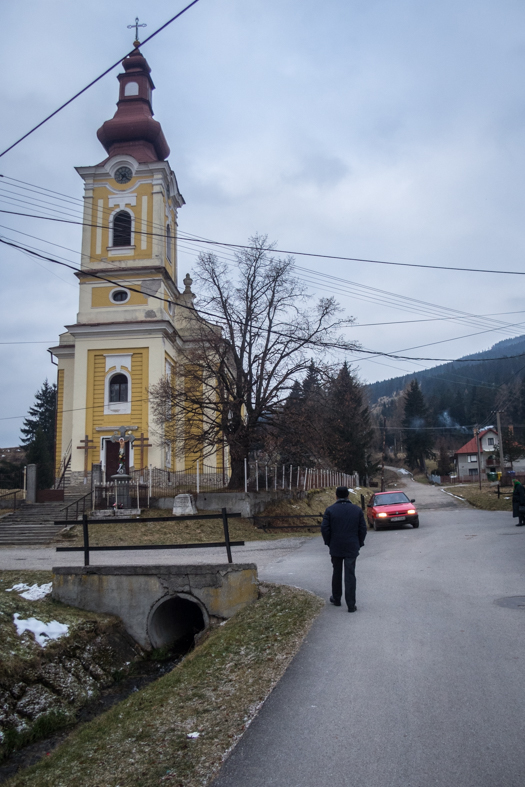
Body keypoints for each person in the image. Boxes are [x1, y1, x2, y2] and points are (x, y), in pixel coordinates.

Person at [321, 486, 367, 612]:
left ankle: (336, 598)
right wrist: (359, 542)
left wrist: (329, 542)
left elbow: (325, 529)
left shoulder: (330, 510)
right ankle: (351, 604)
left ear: (336, 496)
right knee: (350, 574)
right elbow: (362, 528)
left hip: (336, 545)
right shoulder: (356, 510)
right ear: (348, 496)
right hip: (352, 545)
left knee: (336, 572)